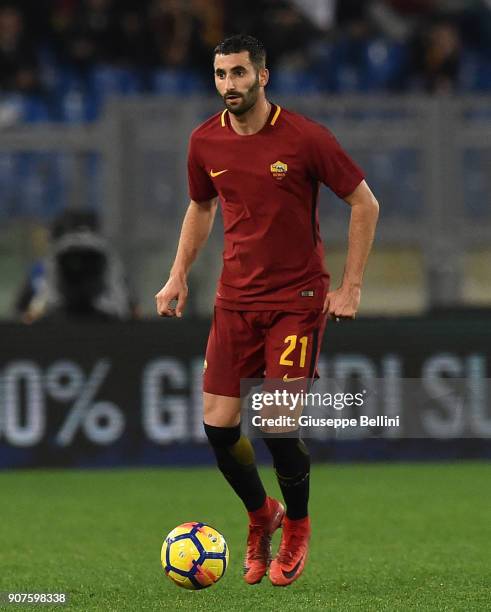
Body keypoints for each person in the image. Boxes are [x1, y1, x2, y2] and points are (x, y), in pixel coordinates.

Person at [155, 34, 379, 587]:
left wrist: (350, 287)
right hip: (235, 300)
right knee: (217, 428)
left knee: (278, 426)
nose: (229, 85)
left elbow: (364, 204)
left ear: (263, 75)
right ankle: (263, 515)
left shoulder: (305, 138)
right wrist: (177, 274)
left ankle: (298, 526)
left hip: (296, 301)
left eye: (238, 73)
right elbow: (201, 206)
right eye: (220, 75)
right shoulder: (205, 141)